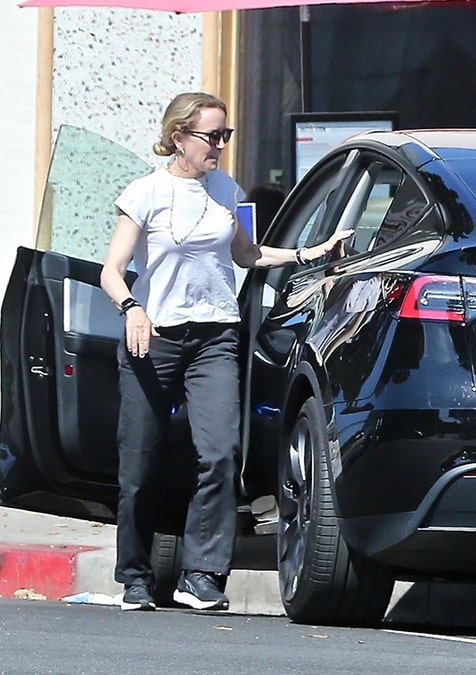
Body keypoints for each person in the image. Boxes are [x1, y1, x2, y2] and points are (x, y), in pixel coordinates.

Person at [99, 92, 352, 612]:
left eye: (225, 135)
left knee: (219, 455)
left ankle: (203, 575)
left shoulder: (226, 190)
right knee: (140, 462)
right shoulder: (145, 192)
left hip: (215, 336)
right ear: (179, 138)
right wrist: (132, 308)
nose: (220, 145)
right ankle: (137, 577)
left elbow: (248, 253)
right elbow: (110, 269)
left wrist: (310, 253)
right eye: (211, 136)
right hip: (155, 336)